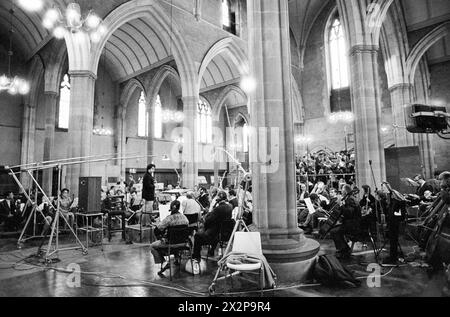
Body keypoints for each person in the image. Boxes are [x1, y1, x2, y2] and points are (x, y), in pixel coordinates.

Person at [192, 191, 233, 262]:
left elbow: (208, 220)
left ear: (218, 199)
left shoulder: (218, 209)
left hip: (215, 234)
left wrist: (208, 215)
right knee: (214, 231)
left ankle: (196, 256)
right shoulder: (229, 207)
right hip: (225, 233)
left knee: (197, 236)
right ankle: (211, 250)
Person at [150, 200, 189, 275]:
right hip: (183, 244)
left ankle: (164, 263)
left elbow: (156, 230)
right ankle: (177, 258)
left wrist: (161, 238)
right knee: (177, 238)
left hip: (171, 244)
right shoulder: (185, 218)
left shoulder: (169, 219)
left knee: (152, 246)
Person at [330, 185, 362, 259]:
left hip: (353, 225)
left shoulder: (350, 199)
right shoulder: (350, 198)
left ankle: (344, 249)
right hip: (351, 223)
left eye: (342, 190)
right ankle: (343, 249)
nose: (341, 192)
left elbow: (349, 213)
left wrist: (341, 204)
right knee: (336, 229)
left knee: (334, 231)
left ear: (345, 191)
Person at [379, 182, 407, 265]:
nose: (383, 189)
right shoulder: (388, 196)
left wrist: (396, 214)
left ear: (388, 187)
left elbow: (401, 204)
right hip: (392, 220)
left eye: (384, 187)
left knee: (393, 239)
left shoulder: (394, 195)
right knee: (392, 239)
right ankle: (392, 256)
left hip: (395, 220)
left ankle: (393, 258)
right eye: (382, 188)